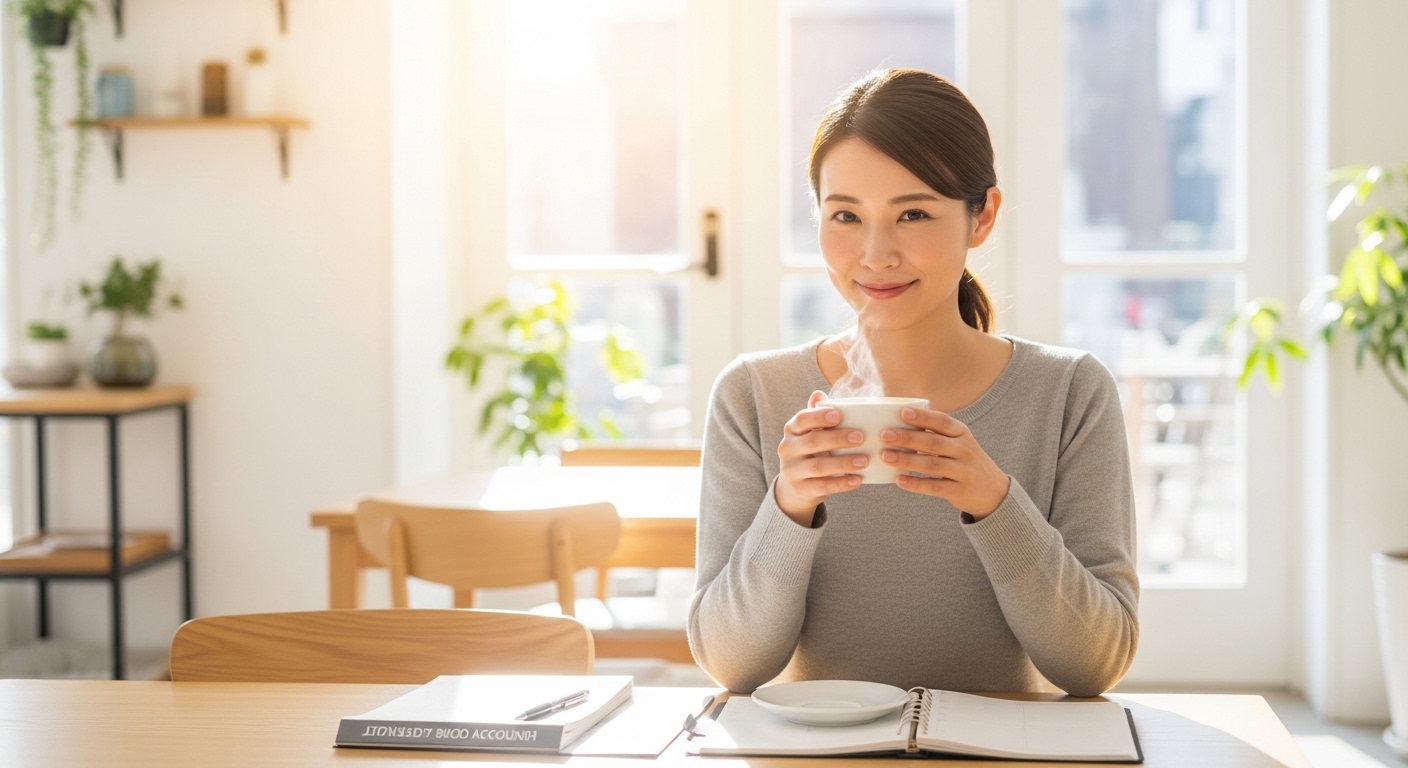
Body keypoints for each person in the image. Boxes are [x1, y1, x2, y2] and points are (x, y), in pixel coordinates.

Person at [686, 69, 1138, 698]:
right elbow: (731, 665)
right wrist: (788, 505)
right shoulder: (753, 394)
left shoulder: (1069, 393)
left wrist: (995, 501)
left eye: (914, 214)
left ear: (981, 219)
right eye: (845, 214)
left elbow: (1096, 665)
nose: (875, 254)